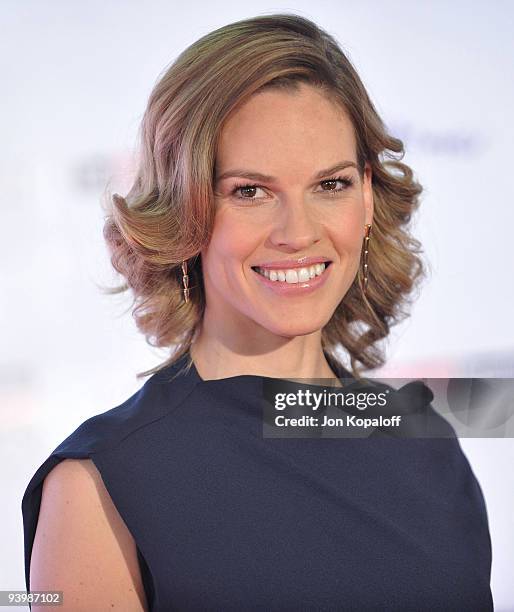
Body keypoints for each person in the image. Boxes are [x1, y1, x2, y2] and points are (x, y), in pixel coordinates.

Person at [22, 13, 493, 611]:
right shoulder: (101, 485)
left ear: (368, 196)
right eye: (250, 191)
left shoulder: (426, 445)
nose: (297, 232)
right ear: (184, 211)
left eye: (331, 184)